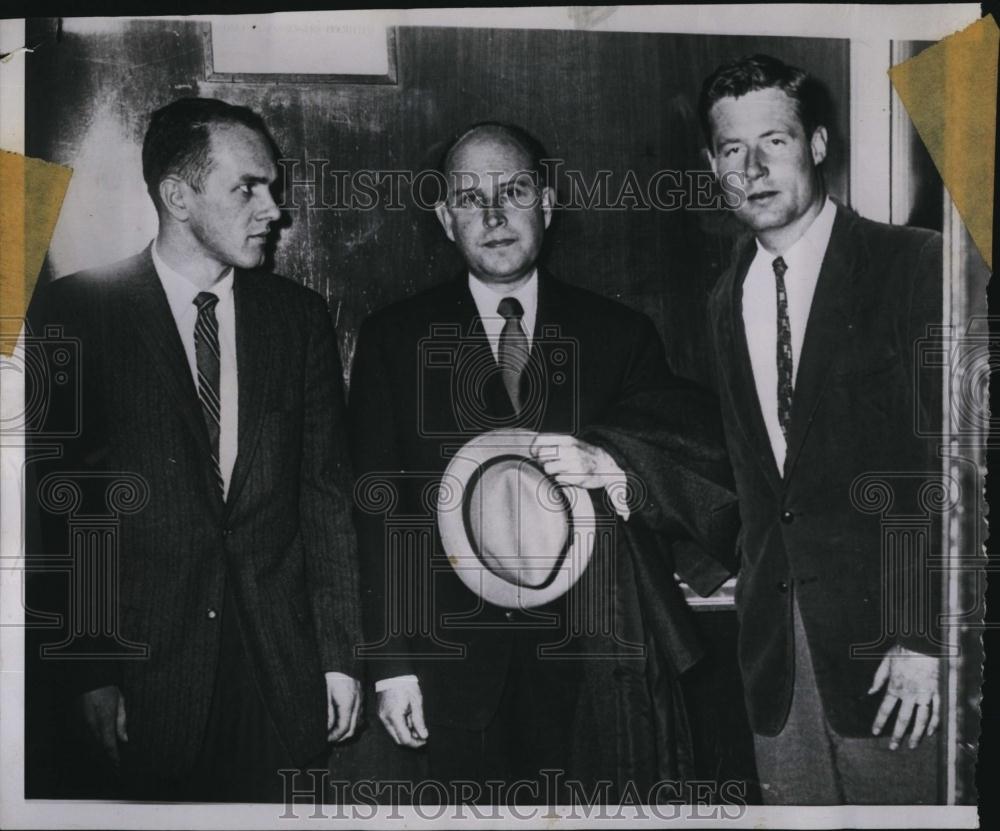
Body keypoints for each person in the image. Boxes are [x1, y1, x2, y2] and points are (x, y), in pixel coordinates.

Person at [347, 122, 738, 801]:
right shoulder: (393, 338)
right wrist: (393, 665)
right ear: (445, 218)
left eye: (514, 191)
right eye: (470, 198)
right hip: (452, 673)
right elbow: (377, 514)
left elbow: (685, 464)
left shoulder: (619, 335)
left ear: (548, 204)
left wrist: (613, 465)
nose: (494, 215)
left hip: (595, 667)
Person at [26, 97, 362, 802]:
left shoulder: (298, 319)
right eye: (248, 188)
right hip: (144, 675)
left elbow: (325, 499)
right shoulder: (78, 313)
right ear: (178, 197)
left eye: (272, 187)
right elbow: (59, 511)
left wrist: (339, 658)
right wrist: (90, 670)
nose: (273, 210)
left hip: (278, 673)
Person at [699, 54, 944, 804]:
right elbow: (759, 481)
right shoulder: (724, 297)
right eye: (733, 149)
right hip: (779, 658)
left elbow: (955, 466)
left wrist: (927, 638)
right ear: (712, 166)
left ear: (817, 144)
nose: (753, 168)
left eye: (774, 141)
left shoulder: (915, 265)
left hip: (896, 654)